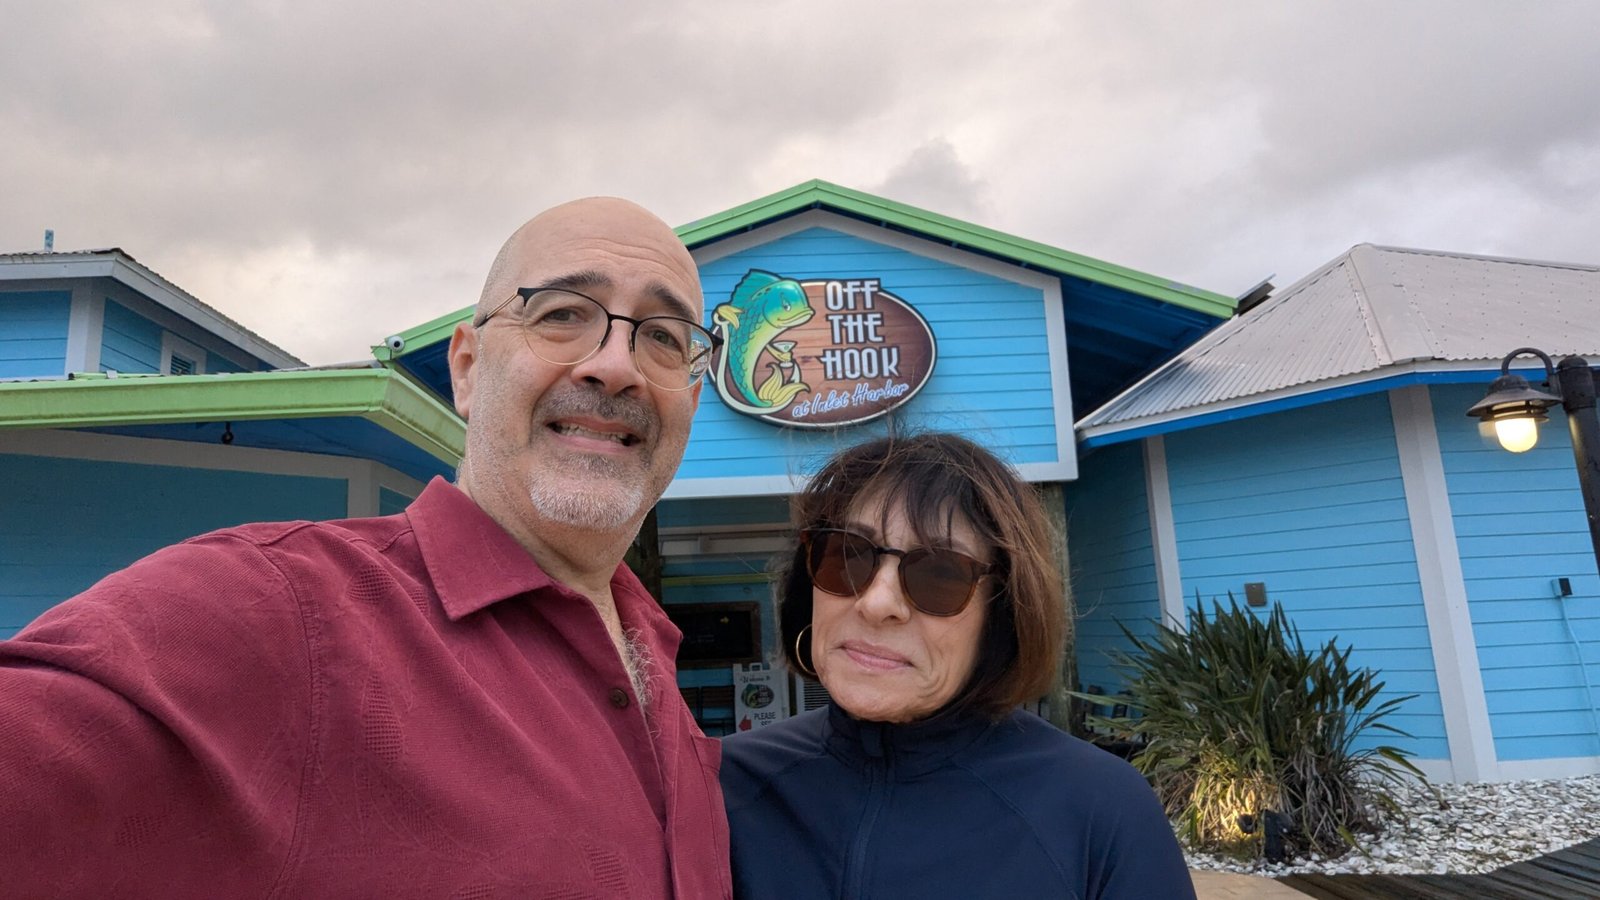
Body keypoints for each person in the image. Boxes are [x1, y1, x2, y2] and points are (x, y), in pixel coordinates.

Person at [0, 198, 732, 898]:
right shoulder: (274, 612)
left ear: (692, 401)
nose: (617, 365)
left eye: (664, 337)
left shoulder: (659, 667)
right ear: (468, 368)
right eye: (563, 314)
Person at [719, 433, 1196, 899]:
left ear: (1001, 614)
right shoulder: (722, 786)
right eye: (847, 554)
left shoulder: (1100, 811)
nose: (877, 603)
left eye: (940, 574)